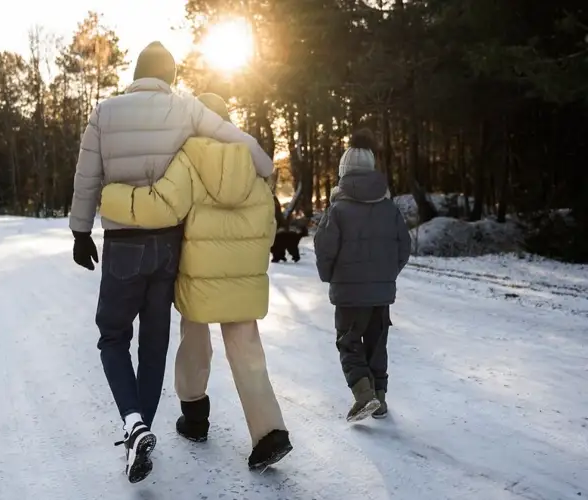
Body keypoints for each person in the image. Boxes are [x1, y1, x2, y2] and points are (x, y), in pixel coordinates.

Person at [69, 43, 274, 483]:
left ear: (136, 74)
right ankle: (140, 430)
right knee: (154, 342)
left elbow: (86, 176)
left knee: (113, 336)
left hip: (123, 243)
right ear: (171, 78)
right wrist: (265, 166)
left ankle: (134, 424)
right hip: (167, 245)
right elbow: (234, 138)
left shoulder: (105, 112)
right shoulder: (184, 108)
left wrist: (80, 231)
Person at [99, 93, 291, 470]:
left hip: (197, 274)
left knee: (194, 342)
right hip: (242, 275)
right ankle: (270, 433)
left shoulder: (189, 157)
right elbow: (269, 223)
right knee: (247, 351)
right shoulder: (251, 160)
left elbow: (161, 205)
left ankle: (195, 416)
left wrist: (111, 197)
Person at [313, 129, 411, 422]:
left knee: (349, 342)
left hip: (349, 293)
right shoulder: (389, 207)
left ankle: (364, 394)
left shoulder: (338, 208)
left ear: (343, 171)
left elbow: (324, 248)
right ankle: (380, 399)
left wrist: (330, 276)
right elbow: (403, 247)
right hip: (381, 293)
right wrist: (385, 275)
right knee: (377, 345)